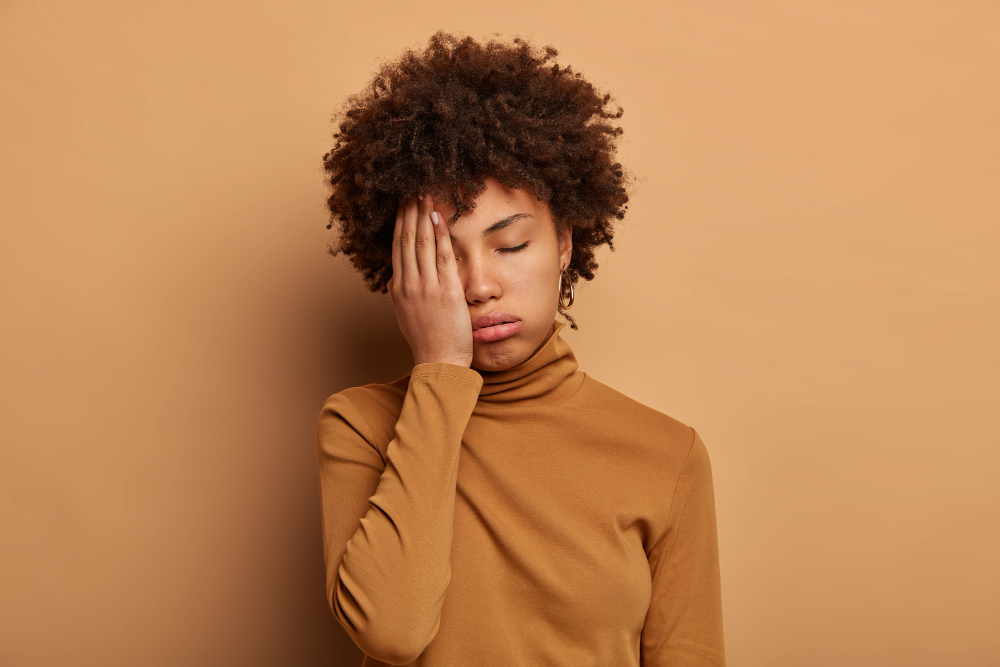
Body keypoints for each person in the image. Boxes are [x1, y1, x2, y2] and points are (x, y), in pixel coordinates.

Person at [315, 31, 725, 666]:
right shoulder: (360, 426)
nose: (478, 286)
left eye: (509, 245)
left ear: (565, 242)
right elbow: (392, 632)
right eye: (442, 259)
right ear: (402, 272)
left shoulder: (668, 456)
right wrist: (440, 369)